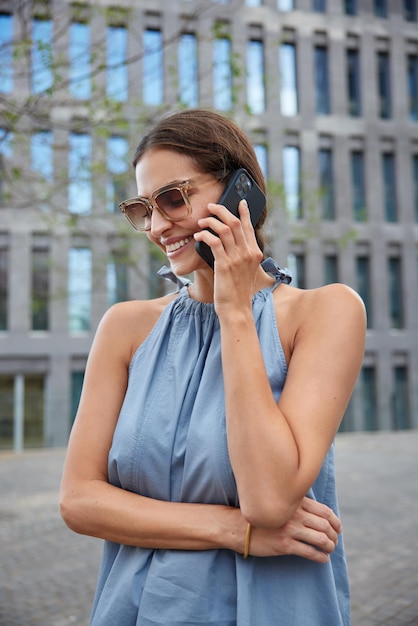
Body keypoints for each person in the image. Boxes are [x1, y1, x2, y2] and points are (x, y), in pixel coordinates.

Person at [60, 108, 366, 626]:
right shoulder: (124, 328)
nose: (157, 226)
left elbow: (269, 499)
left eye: (173, 198)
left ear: (240, 193)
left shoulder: (326, 313)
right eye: (143, 208)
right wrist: (235, 531)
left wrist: (234, 310)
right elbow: (79, 501)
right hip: (134, 611)